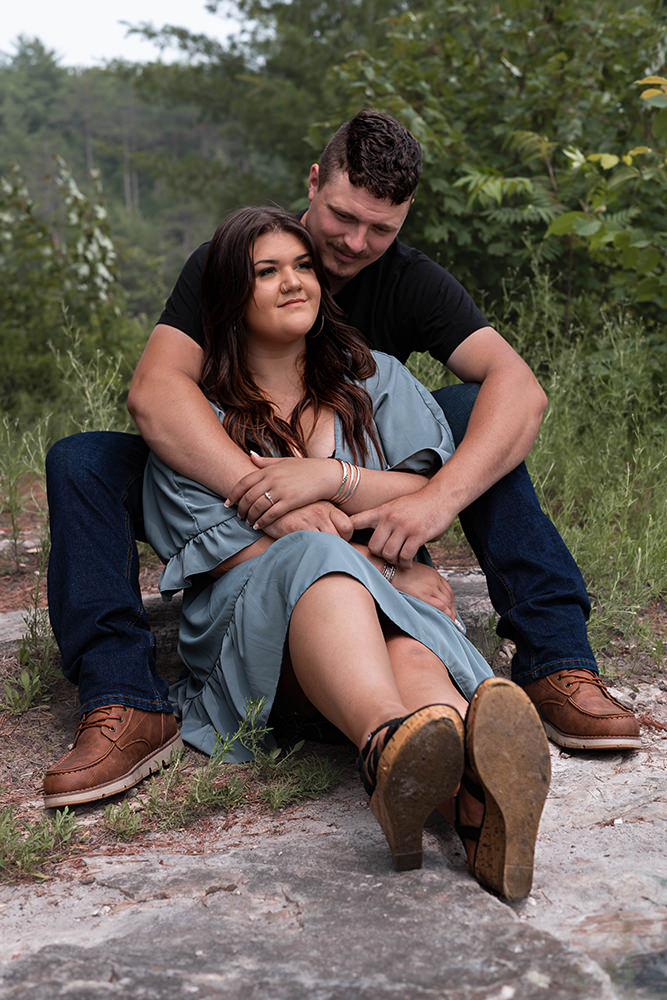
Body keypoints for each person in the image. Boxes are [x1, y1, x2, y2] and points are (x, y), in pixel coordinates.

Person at [43, 110, 639, 812]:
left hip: (366, 463)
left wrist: (433, 501)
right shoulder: (231, 260)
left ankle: (554, 663)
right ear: (314, 181)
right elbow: (155, 391)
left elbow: (519, 390)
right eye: (342, 218)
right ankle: (124, 699)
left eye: (381, 229)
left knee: (476, 414)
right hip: (232, 457)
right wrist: (271, 493)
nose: (356, 243)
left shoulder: (405, 294)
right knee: (82, 460)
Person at [142, 205, 551, 899]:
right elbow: (228, 559)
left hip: (375, 615)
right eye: (265, 272)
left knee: (413, 653)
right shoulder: (198, 425)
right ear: (227, 300)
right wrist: (357, 554)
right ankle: (383, 741)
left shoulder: (372, 379)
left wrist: (332, 482)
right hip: (264, 644)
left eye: (301, 266)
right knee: (318, 566)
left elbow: (421, 491)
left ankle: (478, 802)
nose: (293, 281)